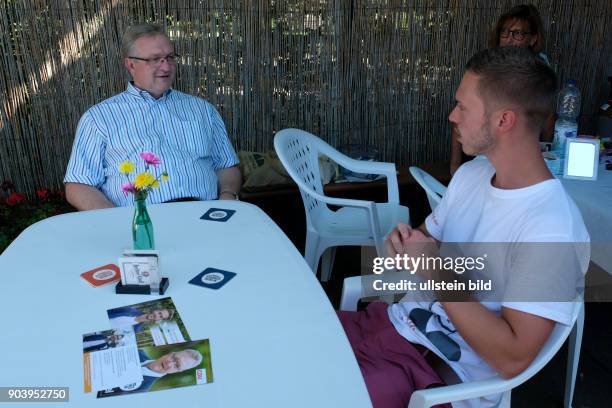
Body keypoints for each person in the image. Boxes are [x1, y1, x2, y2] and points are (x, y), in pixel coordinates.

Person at [338, 47, 589, 408]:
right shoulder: (473, 174)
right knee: (288, 341)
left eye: (463, 106)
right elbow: (426, 239)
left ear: (503, 120)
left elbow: (512, 357)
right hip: (390, 328)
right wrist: (407, 241)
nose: (452, 116)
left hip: (431, 375)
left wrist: (432, 267)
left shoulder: (551, 228)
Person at [64, 23, 242, 210]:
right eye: (155, 59)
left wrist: (228, 196)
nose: (166, 66)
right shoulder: (98, 118)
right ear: (130, 64)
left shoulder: (203, 109)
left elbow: (227, 165)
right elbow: (78, 185)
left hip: (206, 214)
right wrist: (118, 223)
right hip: (142, 221)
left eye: (170, 57)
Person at [450, 4, 553, 175]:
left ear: (533, 39)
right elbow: (460, 114)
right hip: (488, 151)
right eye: (504, 32)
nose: (509, 39)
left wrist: (544, 156)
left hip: (519, 154)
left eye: (518, 34)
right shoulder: (488, 66)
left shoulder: (539, 69)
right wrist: (455, 166)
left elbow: (548, 117)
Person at [98, 348, 203, 396]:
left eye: (177, 365)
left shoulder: (141, 391)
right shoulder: (136, 351)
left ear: (177, 371)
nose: (170, 364)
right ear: (170, 353)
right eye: (174, 358)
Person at [108, 307, 175, 332]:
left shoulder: (136, 330)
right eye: (159, 313)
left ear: (158, 320)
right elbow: (109, 311)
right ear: (156, 310)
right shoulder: (130, 310)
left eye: (160, 316)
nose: (157, 315)